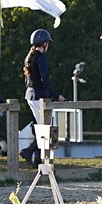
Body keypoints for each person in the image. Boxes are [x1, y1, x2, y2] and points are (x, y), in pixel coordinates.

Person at [20, 28, 65, 165]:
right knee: (46, 128)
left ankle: (37, 159)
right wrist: (56, 95)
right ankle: (29, 151)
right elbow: (45, 80)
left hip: (30, 95)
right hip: (39, 96)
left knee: (39, 127)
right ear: (44, 43)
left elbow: (27, 80)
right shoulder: (41, 58)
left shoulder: (29, 57)